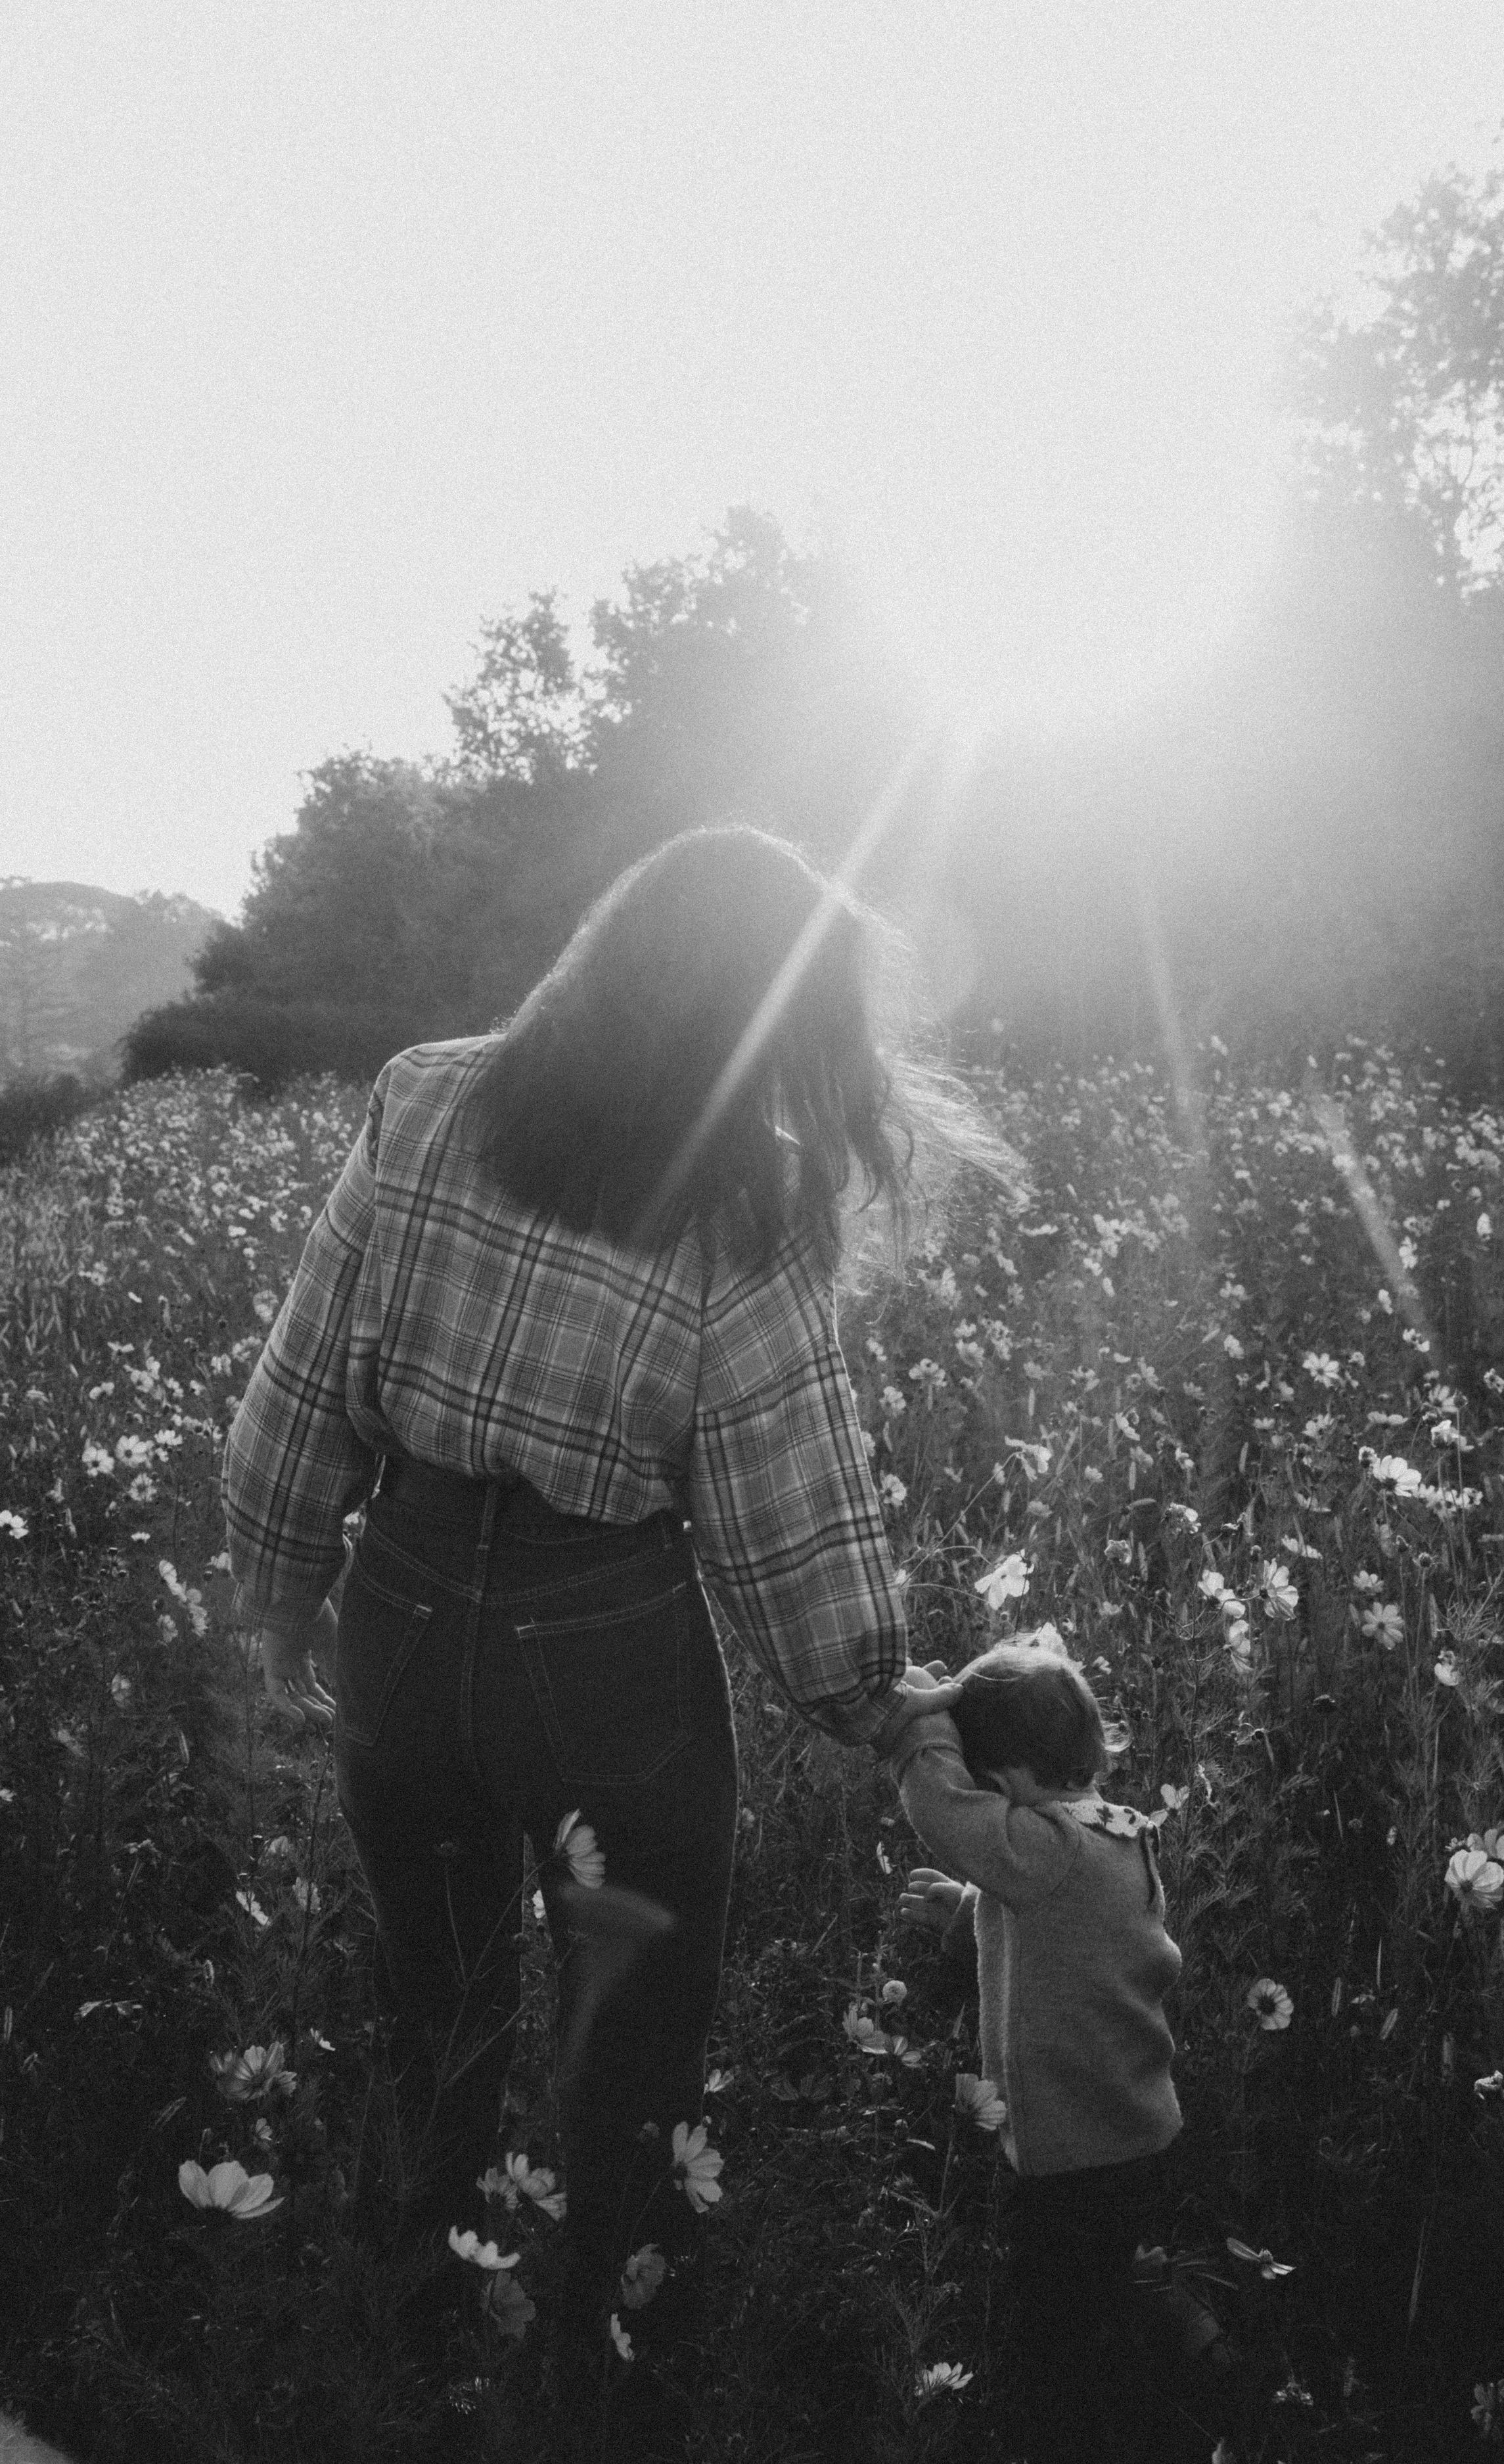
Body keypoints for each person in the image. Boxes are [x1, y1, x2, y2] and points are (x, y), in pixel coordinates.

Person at [222, 825, 984, 2396]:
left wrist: (280, 1587)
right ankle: (596, 2333)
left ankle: (417, 2320)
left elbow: (301, 1376)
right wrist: (874, 1696)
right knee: (632, 2013)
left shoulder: (426, 1095)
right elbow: (785, 1501)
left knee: (437, 1992)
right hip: (599, 1653)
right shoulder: (743, 1203)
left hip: (401, 1612)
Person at [895, 1639, 1229, 2463]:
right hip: (1131, 2128)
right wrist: (972, 1910)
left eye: (983, 1785)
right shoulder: (1112, 1833)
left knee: (1053, 2326)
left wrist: (918, 1732)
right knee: (1104, 2271)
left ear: (1006, 1780)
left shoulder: (1044, 1853)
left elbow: (945, 1812)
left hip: (1074, 2152)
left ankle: (1092, 2422)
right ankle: (1175, 2327)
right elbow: (1065, 1927)